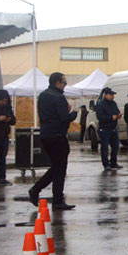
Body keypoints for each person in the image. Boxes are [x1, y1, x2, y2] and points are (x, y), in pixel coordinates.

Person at [28, 72, 78, 210]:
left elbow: (49, 114)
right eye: (64, 83)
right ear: (57, 83)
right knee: (60, 168)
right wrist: (73, 113)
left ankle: (41, 191)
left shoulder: (43, 95)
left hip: (46, 135)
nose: (65, 86)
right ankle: (55, 198)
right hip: (58, 136)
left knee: (56, 167)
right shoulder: (59, 97)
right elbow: (64, 118)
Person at [95, 88, 122, 170]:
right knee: (105, 147)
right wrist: (111, 117)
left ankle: (113, 162)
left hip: (113, 128)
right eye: (111, 95)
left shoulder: (113, 103)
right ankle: (106, 164)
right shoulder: (101, 104)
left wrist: (118, 115)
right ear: (106, 95)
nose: (112, 96)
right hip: (104, 129)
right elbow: (100, 117)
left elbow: (117, 111)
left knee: (116, 146)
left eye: (113, 95)